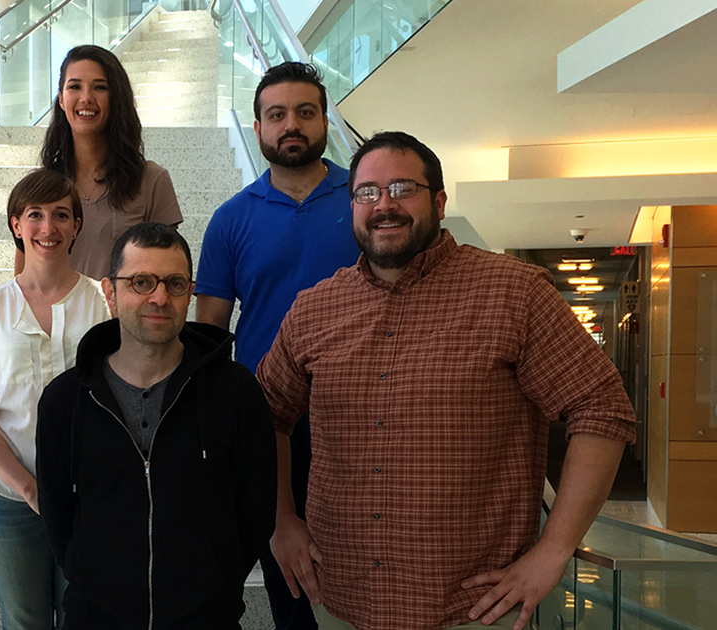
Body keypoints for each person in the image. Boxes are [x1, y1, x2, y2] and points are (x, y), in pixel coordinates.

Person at [257, 131, 637, 630]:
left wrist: (554, 549)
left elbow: (602, 409)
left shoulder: (513, 293)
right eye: (367, 192)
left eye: (402, 188)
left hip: (473, 608)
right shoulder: (314, 309)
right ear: (352, 207)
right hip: (341, 601)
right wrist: (281, 522)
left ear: (438, 202)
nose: (384, 205)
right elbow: (263, 415)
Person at [36, 222, 276, 629]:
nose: (160, 297)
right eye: (141, 282)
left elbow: (256, 512)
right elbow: (59, 517)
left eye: (175, 284)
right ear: (110, 292)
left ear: (190, 292)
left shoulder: (235, 393)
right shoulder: (65, 400)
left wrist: (216, 583)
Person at [194, 61, 360, 630]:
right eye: (277, 115)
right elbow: (210, 338)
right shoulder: (230, 220)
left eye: (305, 112)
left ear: (325, 122)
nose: (292, 125)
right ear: (259, 128)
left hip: (364, 423)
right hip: (266, 427)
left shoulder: (363, 203)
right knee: (291, 590)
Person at [0, 169, 110, 630]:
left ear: (77, 226)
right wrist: (29, 487)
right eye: (35, 215)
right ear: (16, 224)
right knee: (23, 619)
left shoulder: (104, 302)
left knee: (83, 614)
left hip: (91, 493)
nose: (49, 227)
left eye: (61, 215)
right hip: (10, 495)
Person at [35, 45, 183, 280]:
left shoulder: (152, 180)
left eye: (100, 87)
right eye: (75, 87)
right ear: (61, 99)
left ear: (116, 98)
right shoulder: (41, 186)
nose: (86, 98)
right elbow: (24, 280)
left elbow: (165, 273)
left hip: (121, 306)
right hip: (54, 306)